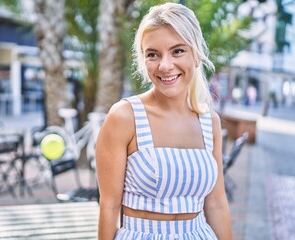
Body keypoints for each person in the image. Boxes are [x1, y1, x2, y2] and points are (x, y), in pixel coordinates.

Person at [95, 2, 232, 239]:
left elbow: (217, 204)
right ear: (143, 60)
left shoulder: (210, 123)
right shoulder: (125, 117)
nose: (165, 66)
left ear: (196, 55)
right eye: (153, 54)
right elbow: (108, 207)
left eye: (178, 51)